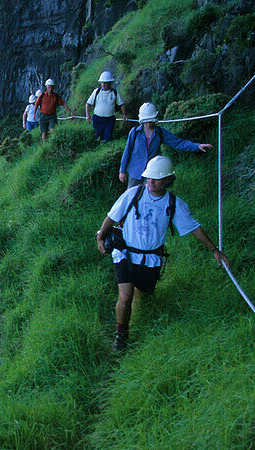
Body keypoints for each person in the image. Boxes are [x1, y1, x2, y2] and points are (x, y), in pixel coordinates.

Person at [95, 156, 227, 351]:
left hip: (151, 259)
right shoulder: (134, 194)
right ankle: (121, 335)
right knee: (125, 296)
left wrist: (215, 250)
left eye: (156, 179)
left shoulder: (173, 204)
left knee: (143, 294)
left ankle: (136, 315)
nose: (151, 182)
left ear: (167, 180)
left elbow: (194, 228)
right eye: (149, 178)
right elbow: (112, 216)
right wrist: (100, 237)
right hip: (125, 254)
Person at [118, 102, 212, 185]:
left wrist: (197, 146)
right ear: (142, 121)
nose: (149, 124)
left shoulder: (160, 132)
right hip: (135, 173)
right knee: (131, 199)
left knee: (150, 199)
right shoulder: (134, 132)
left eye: (151, 121)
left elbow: (178, 143)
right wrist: (122, 171)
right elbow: (127, 152)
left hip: (152, 173)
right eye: (146, 121)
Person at [85, 71, 126, 141]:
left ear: (110, 83)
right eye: (102, 82)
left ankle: (107, 148)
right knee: (97, 137)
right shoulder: (96, 92)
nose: (103, 84)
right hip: (97, 119)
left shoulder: (114, 93)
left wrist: (124, 114)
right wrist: (88, 115)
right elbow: (88, 104)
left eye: (105, 83)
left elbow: (121, 104)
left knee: (108, 137)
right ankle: (99, 149)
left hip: (109, 120)